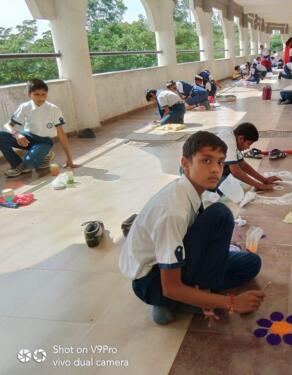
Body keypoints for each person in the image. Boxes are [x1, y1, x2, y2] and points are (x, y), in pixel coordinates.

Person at [119, 131, 265, 325]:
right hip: (152, 282)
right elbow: (170, 287)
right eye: (206, 161)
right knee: (220, 215)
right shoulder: (172, 211)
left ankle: (190, 299)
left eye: (220, 162)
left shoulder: (190, 191)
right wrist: (231, 302)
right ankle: (179, 300)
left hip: (177, 266)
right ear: (185, 164)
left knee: (251, 263)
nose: (215, 169)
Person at [0, 78, 78, 178]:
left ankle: (38, 158)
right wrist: (17, 134)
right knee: (1, 136)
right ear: (29, 95)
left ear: (47, 94)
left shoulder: (53, 109)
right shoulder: (24, 107)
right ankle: (18, 165)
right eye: (36, 94)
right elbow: (8, 125)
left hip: (44, 142)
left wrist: (69, 159)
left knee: (29, 163)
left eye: (43, 94)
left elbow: (61, 133)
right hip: (27, 138)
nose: (40, 98)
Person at [217, 123, 281, 191]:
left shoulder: (233, 138)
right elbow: (235, 171)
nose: (248, 147)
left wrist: (264, 180)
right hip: (205, 173)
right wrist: (259, 185)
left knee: (232, 170)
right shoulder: (228, 142)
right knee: (227, 184)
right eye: (248, 144)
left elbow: (243, 165)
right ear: (241, 138)